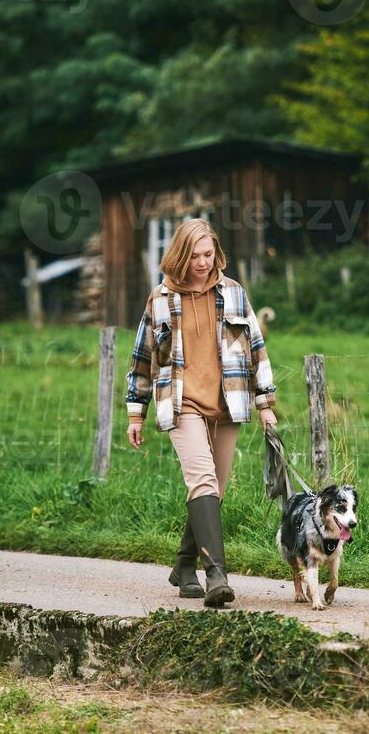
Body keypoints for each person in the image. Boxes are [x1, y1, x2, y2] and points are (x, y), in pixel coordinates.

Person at [124, 218, 278, 608]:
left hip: (229, 403)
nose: (204, 262)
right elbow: (142, 359)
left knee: (215, 491)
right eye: (195, 255)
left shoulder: (234, 293)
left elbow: (256, 349)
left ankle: (183, 565)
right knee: (203, 480)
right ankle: (217, 576)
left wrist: (266, 405)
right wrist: (135, 413)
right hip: (182, 404)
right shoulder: (159, 300)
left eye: (209, 254)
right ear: (180, 254)